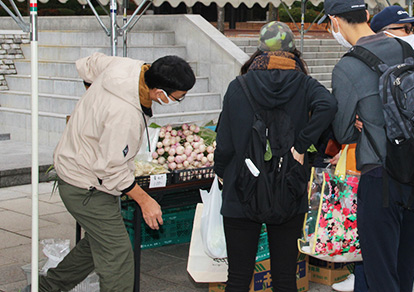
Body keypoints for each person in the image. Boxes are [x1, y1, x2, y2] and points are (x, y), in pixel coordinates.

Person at [37, 54, 195, 292]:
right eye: (178, 98)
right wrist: (145, 200)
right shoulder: (125, 115)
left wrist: (93, 103)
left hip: (80, 166)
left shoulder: (128, 67)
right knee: (118, 254)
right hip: (85, 184)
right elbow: (111, 169)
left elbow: (86, 63)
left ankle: (46, 287)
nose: (179, 100)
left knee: (98, 243)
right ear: (159, 92)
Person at [214, 21, 337, 292]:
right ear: (293, 52)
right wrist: (302, 146)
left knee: (237, 277)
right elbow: (328, 105)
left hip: (241, 187)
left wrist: (221, 170)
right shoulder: (304, 84)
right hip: (289, 187)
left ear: (259, 51)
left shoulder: (239, 85)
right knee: (284, 277)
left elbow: (224, 141)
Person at [323, 0, 414, 292]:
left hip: (381, 175)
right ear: (368, 16)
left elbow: (343, 133)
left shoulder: (347, 67)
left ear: (334, 21)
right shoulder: (403, 49)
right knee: (404, 264)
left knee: (380, 270)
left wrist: (363, 123)